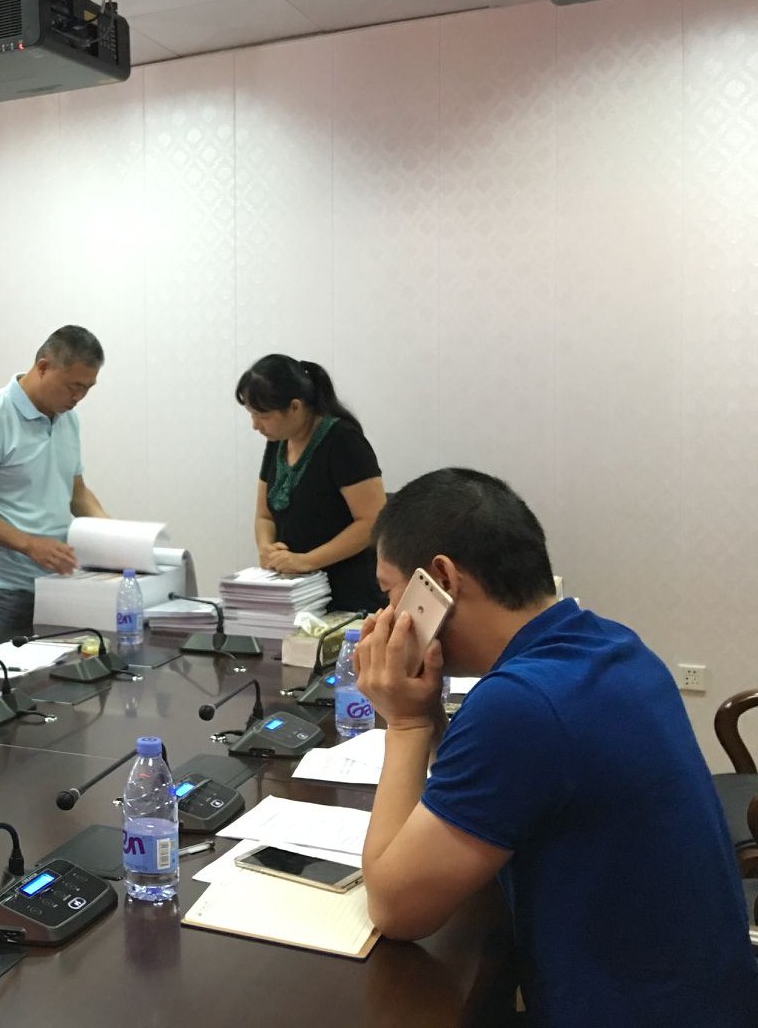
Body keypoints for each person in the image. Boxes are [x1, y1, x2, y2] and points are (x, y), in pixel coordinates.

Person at [355, 468, 758, 1027]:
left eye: (389, 592)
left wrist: (402, 723)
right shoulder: (610, 645)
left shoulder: (522, 705)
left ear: (440, 580)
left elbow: (396, 907)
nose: (386, 616)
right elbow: (483, 793)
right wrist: (423, 707)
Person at [0, 325, 108, 643]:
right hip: (3, 587)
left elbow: (77, 492)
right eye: (73, 386)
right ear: (43, 367)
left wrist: (114, 535)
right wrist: (30, 544)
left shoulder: (68, 418)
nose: (79, 398)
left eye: (87, 389)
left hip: (58, 582)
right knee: (2, 672)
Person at [235, 354, 385, 613]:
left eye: (262, 415)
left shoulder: (343, 441)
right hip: (296, 594)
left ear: (295, 407)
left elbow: (372, 521)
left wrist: (307, 561)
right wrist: (267, 548)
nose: (255, 425)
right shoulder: (277, 442)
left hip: (347, 594)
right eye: (251, 414)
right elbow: (264, 515)